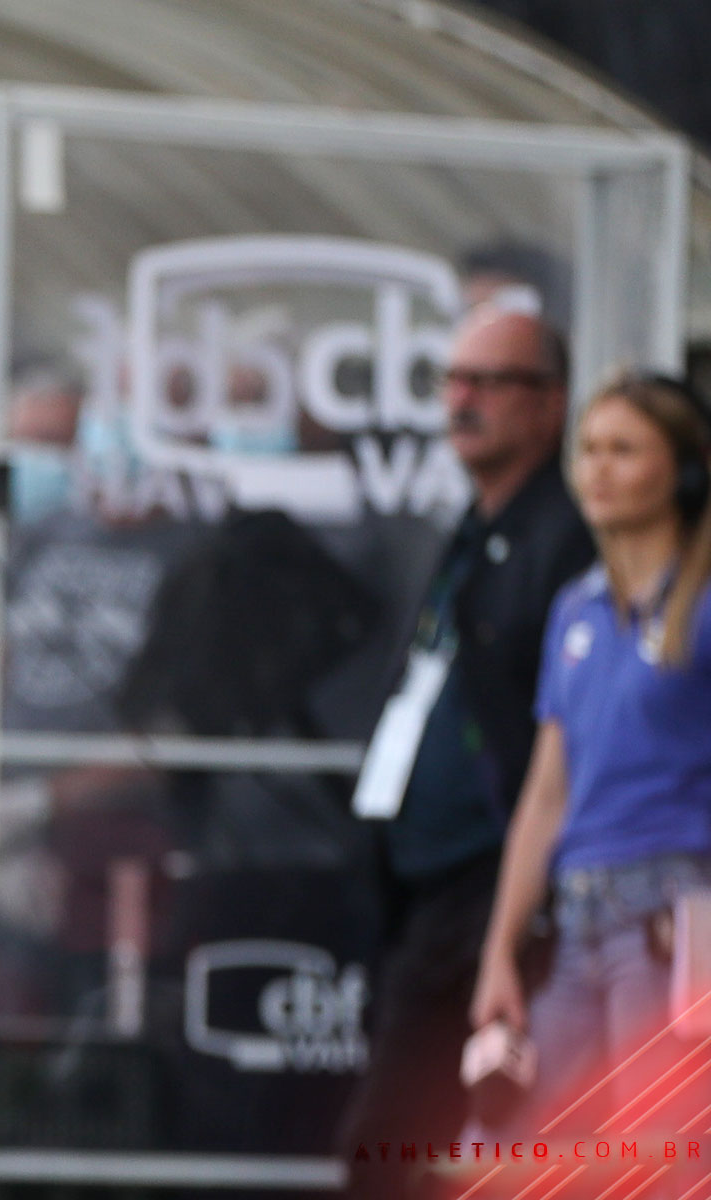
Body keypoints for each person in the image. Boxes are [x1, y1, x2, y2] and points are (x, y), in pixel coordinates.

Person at [335, 308, 589, 1197]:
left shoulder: (564, 541)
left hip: (498, 893)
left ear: (549, 404)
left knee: (413, 1149)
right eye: (452, 379)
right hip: (425, 890)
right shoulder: (468, 534)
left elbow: (557, 746)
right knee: (413, 1153)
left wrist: (518, 916)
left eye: (489, 380)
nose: (461, 399)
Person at [471, 372, 711, 1136]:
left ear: (685, 470)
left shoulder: (705, 604)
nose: (598, 470)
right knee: (513, 1152)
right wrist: (499, 953)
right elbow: (547, 795)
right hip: (576, 921)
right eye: (589, 449)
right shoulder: (575, 606)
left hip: (672, 918)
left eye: (624, 450)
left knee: (664, 1156)